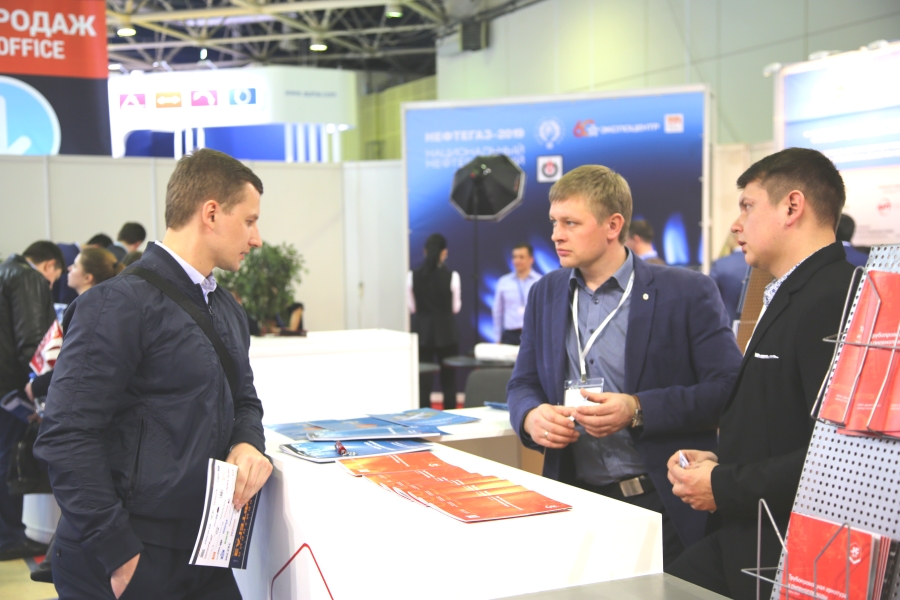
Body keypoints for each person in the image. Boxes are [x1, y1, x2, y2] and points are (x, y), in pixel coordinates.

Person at [35, 149, 272, 599]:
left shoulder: (226, 308)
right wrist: (118, 553)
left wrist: (247, 442)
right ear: (210, 213)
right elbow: (66, 435)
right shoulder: (117, 304)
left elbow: (245, 400)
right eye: (249, 221)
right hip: (126, 554)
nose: (256, 238)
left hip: (202, 550)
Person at [507, 165, 742, 567]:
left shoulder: (685, 291)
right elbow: (522, 383)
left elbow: (728, 389)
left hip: (664, 504)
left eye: (570, 223)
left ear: (613, 225)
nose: (556, 235)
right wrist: (530, 416)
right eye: (554, 222)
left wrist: (637, 408)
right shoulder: (546, 292)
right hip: (576, 502)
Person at [666, 148, 855, 600]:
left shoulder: (834, 298)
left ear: (792, 206)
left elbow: (839, 458)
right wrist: (721, 463)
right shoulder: (791, 291)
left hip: (788, 552)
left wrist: (722, 485)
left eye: (747, 206)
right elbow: (783, 422)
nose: (736, 224)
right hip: (750, 536)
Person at [26, 247, 123, 583]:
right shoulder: (92, 306)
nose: (69, 268)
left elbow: (74, 367)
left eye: (76, 265)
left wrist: (37, 386)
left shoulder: (97, 310)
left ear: (89, 275)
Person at [0, 241, 63, 561]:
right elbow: (36, 342)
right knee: (8, 459)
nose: (50, 286)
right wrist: (39, 391)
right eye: (53, 280)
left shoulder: (4, 272)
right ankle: (9, 536)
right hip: (11, 389)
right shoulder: (28, 278)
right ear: (49, 265)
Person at [407, 233, 461, 410]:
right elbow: (456, 308)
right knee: (449, 379)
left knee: (423, 379)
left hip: (422, 333)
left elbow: (412, 307)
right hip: (447, 333)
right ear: (444, 252)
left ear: (425, 251)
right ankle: (452, 416)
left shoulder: (412, 276)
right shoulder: (452, 276)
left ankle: (423, 417)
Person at [492, 244, 541, 345]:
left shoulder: (540, 281)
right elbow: (498, 311)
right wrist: (497, 337)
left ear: (531, 259)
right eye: (515, 257)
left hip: (534, 333)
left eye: (521, 257)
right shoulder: (504, 281)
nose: (517, 260)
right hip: (510, 335)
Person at [709, 233, 750, 326]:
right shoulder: (758, 264)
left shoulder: (720, 264)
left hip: (727, 324)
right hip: (755, 324)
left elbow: (709, 296)